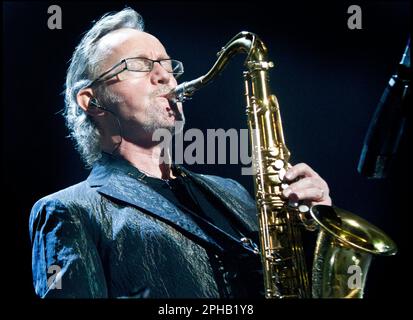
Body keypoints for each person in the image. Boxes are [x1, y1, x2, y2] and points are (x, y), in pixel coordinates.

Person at [29, 8, 332, 298]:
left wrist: (314, 230)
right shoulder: (68, 210)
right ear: (92, 101)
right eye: (139, 64)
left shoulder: (233, 192)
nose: (166, 77)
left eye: (168, 65)